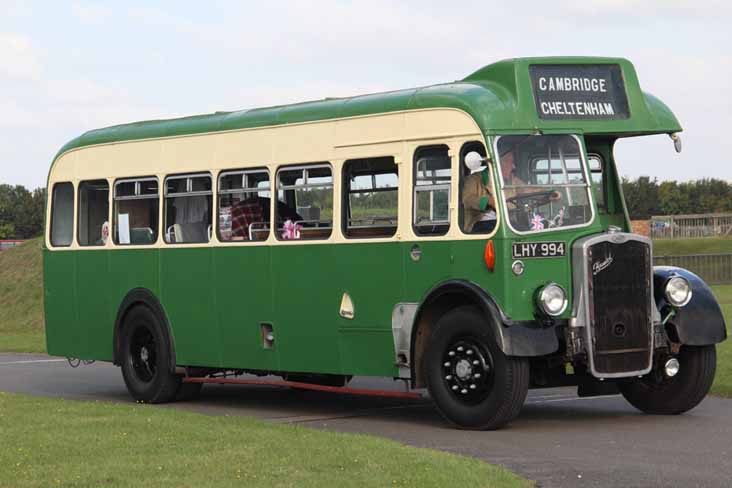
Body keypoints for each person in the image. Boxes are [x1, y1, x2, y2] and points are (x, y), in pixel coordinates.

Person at [462, 153, 497, 233]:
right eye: (508, 161)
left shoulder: (509, 180)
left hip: (504, 221)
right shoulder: (473, 179)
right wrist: (488, 201)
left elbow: (524, 189)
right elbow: (467, 200)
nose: (513, 166)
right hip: (480, 222)